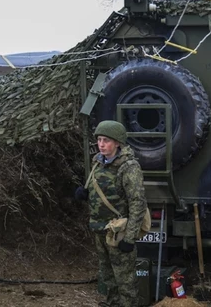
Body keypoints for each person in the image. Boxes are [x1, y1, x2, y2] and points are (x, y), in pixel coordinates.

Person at [75, 120, 147, 307]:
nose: (101, 144)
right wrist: (85, 192)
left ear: (117, 143)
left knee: (125, 282)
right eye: (99, 140)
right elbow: (100, 188)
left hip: (118, 232)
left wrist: (130, 238)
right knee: (108, 277)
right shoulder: (98, 161)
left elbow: (137, 203)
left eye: (106, 140)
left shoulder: (128, 167)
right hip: (101, 230)